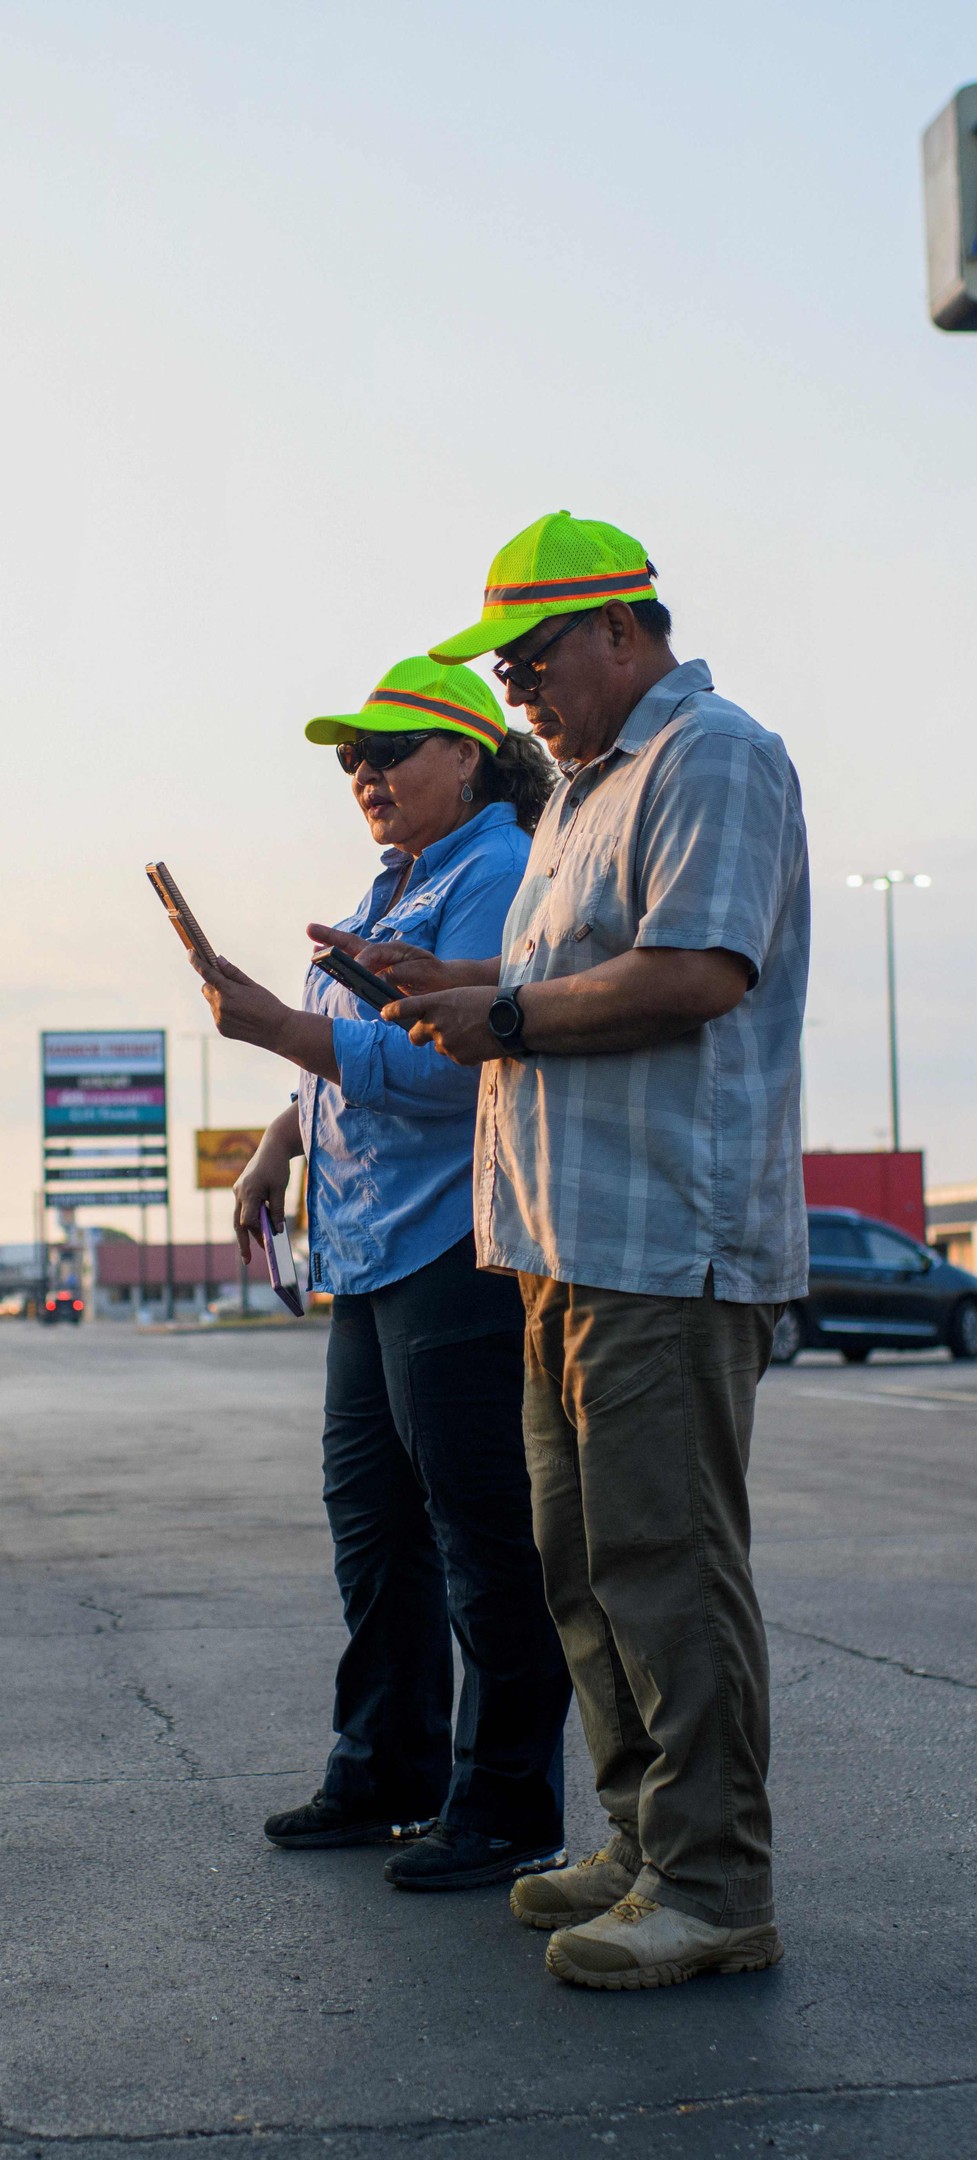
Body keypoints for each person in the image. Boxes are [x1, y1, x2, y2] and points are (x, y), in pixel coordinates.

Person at [386, 511, 810, 1987]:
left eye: (530, 660)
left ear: (622, 630)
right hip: (560, 1242)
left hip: (664, 1243)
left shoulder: (712, 756)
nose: (516, 693)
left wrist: (499, 1014)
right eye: (504, 672)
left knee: (666, 1565)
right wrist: (451, 978)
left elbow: (694, 971)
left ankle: (714, 1884)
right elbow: (566, 971)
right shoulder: (579, 794)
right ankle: (642, 1842)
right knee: (583, 1568)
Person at [194, 656, 572, 1891]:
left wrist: (278, 1025)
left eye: (390, 751)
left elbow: (460, 1064)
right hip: (368, 1251)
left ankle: (506, 1805)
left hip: (453, 1243)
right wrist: (276, 1140)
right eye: (352, 759)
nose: (364, 773)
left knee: (479, 1533)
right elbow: (351, 1057)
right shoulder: (397, 881)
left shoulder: (497, 872)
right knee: (374, 1528)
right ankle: (386, 1769)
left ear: (468, 754)